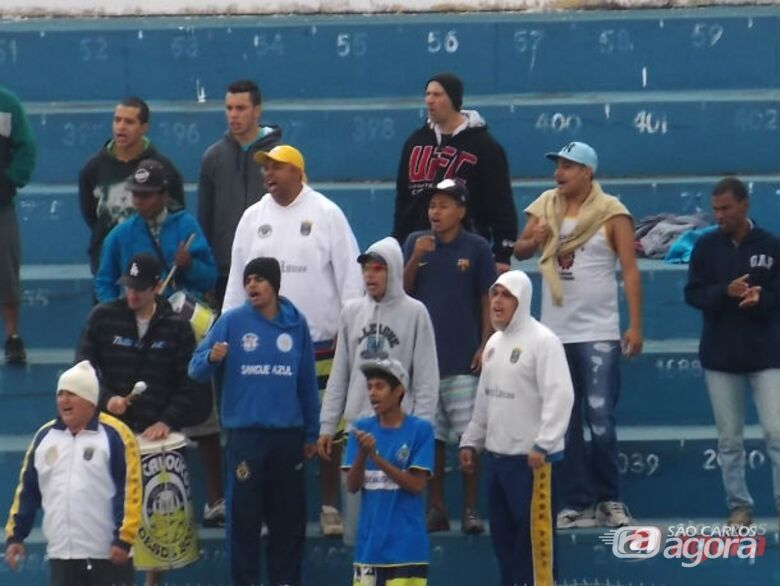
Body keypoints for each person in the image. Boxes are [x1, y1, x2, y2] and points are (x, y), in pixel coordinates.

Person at [223, 144, 363, 536]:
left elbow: (350, 280)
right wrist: (228, 332)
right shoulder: (253, 218)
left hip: (320, 343)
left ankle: (329, 504)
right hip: (263, 346)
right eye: (265, 168)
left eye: (277, 167)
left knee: (327, 426)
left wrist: (350, 336)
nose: (268, 174)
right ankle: (270, 510)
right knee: (274, 430)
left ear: (298, 172)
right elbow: (238, 280)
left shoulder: (326, 214)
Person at [513, 141, 642, 529]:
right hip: (554, 333)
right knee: (564, 421)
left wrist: (635, 324)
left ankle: (610, 499)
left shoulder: (613, 214)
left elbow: (631, 271)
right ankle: (577, 501)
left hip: (598, 332)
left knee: (600, 417)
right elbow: (519, 252)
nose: (559, 173)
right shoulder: (544, 207)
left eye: (568, 166)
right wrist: (532, 240)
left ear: (588, 172)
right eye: (557, 166)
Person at [77, 253, 210, 586]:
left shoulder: (177, 327)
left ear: (156, 287)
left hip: (154, 437)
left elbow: (190, 384)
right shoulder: (102, 318)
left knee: (156, 518)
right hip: (111, 435)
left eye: (139, 288)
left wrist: (167, 419)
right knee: (110, 514)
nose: (131, 294)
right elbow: (83, 368)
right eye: (127, 287)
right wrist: (107, 398)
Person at [188, 257, 319, 586]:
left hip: (287, 438)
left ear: (274, 284)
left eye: (259, 279)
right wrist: (211, 358)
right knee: (243, 521)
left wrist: (311, 434)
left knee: (288, 521)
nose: (252, 286)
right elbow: (196, 369)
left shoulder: (296, 324)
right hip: (246, 437)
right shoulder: (231, 322)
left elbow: (306, 384)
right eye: (248, 280)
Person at [318, 236, 439, 545]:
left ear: (395, 270)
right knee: (360, 530)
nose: (369, 275)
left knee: (398, 524)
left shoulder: (415, 313)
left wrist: (421, 431)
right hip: (359, 429)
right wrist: (328, 425)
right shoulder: (351, 312)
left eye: (377, 269)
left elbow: (426, 377)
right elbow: (340, 374)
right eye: (366, 270)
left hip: (400, 431)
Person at [459, 271, 574, 586]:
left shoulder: (544, 342)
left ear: (521, 300)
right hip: (498, 462)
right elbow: (485, 400)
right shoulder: (494, 343)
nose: (497, 301)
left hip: (533, 464)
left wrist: (544, 444)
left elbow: (561, 395)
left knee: (536, 548)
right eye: (494, 294)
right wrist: (471, 442)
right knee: (506, 546)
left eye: (505, 295)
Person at [684, 176, 780, 528]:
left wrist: (761, 299)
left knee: (777, 433)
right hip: (720, 357)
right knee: (729, 439)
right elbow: (692, 294)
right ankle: (739, 506)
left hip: (767, 356)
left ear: (744, 205)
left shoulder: (771, 245)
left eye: (725, 209)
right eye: (715, 209)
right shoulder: (705, 247)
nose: (719, 215)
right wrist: (725, 291)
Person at [402, 178, 495, 534]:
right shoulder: (415, 243)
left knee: (469, 438)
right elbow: (403, 291)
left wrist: (485, 342)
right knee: (433, 440)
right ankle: (436, 507)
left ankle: (471, 509)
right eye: (431, 206)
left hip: (462, 361)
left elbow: (487, 297)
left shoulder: (477, 248)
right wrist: (415, 258)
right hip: (423, 365)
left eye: (443, 205)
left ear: (461, 210)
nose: (435, 212)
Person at [5, 360, 142, 586]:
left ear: (90, 400)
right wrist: (16, 536)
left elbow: (130, 490)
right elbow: (27, 491)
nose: (64, 400)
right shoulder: (45, 437)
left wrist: (123, 539)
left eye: (72, 394)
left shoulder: (116, 436)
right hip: (62, 555)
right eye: (60, 394)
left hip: (106, 554)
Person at [393, 72, 517, 274]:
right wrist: (399, 239)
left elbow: (500, 201)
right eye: (427, 94)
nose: (429, 100)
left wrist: (503, 252)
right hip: (418, 248)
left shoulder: (484, 146)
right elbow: (403, 198)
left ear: (453, 99)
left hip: (466, 251)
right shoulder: (415, 142)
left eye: (437, 95)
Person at [344, 358, 434, 586]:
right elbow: (352, 487)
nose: (373, 393)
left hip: (406, 552)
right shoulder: (361, 429)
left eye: (380, 386)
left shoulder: (420, 430)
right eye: (370, 387)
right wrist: (363, 455)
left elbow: (416, 485)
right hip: (368, 552)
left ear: (399, 391)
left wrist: (375, 457)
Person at [198, 79, 282, 311]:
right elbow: (205, 221)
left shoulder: (279, 157)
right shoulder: (212, 158)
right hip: (227, 274)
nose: (233, 115)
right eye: (229, 108)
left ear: (257, 111)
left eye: (241, 108)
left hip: (272, 271)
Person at [79, 96, 185, 274]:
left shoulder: (163, 167)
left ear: (144, 128)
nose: (121, 126)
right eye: (117, 120)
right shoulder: (93, 168)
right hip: (107, 264)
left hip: (151, 266)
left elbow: (176, 211)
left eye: (129, 122)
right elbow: (91, 214)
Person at [95, 158, 216, 302]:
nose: (139, 201)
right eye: (135, 194)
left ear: (164, 196)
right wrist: (117, 315)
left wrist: (190, 265)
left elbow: (210, 279)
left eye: (145, 195)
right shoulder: (119, 235)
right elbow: (104, 282)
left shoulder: (186, 225)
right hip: (136, 316)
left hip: (178, 317)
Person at [0, 85, 36, 364]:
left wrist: (9, 180)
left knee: (7, 274)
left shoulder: (7, 104)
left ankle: (12, 336)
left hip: (0, 206)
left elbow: (26, 148)